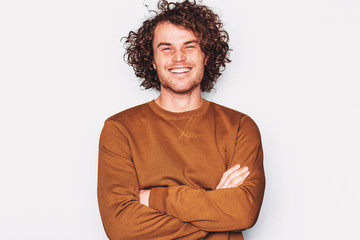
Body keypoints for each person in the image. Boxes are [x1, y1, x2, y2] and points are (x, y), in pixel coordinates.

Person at [97, 1, 265, 239]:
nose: (178, 57)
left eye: (190, 46)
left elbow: (244, 211)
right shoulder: (119, 129)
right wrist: (216, 208)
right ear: (152, 60)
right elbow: (121, 228)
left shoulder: (240, 127)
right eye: (166, 48)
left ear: (206, 55)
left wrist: (154, 198)